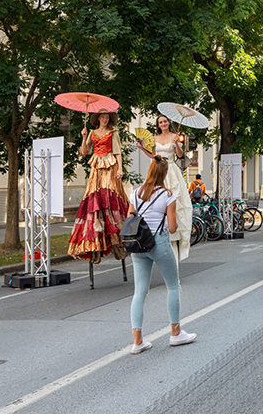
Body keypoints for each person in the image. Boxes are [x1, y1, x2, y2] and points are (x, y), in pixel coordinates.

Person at [127, 156, 196, 354]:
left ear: (150, 171)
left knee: (140, 292)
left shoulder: (136, 193)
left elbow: (130, 220)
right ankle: (176, 333)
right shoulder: (168, 195)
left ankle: (137, 341)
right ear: (165, 174)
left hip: (139, 244)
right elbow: (173, 227)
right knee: (173, 286)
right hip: (159, 242)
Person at [68, 109, 129, 263]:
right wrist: (83, 137)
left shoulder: (113, 132)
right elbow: (84, 152)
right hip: (96, 168)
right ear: (98, 119)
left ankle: (116, 241)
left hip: (110, 167)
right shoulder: (92, 133)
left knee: (110, 197)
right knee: (95, 199)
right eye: (102, 117)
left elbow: (117, 152)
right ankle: (96, 242)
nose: (105, 119)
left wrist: (120, 169)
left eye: (107, 117)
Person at [135, 115, 193, 262]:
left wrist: (177, 144)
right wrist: (142, 148)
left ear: (169, 123)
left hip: (172, 171)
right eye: (160, 122)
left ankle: (175, 235)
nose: (163, 123)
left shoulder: (175, 136)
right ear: (158, 125)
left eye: (165, 121)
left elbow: (180, 156)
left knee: (176, 202)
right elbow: (154, 156)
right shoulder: (154, 138)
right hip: (158, 170)